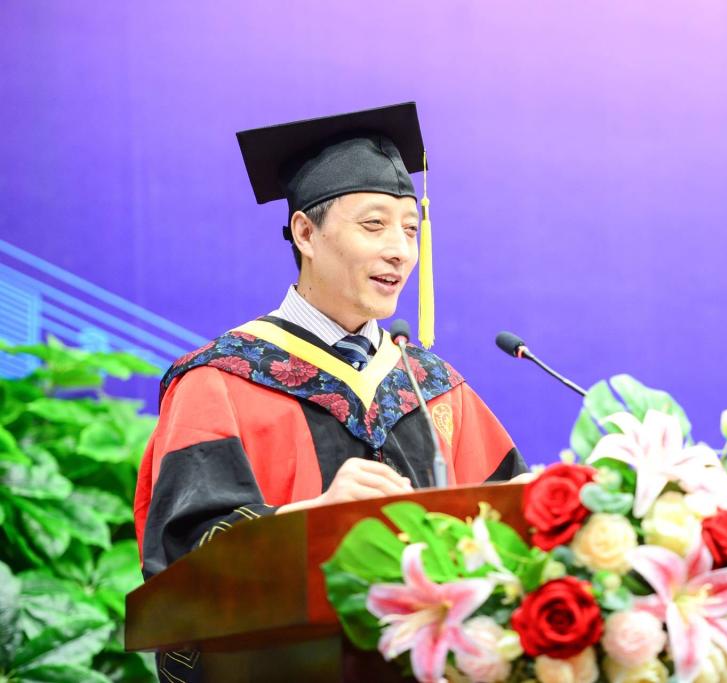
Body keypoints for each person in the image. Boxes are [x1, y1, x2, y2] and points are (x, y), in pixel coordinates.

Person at [133, 103, 527, 679]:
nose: (401, 249)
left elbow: (506, 533)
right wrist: (311, 521)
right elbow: (182, 563)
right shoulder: (219, 381)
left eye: (410, 228)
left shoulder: (432, 387)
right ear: (305, 233)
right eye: (374, 225)